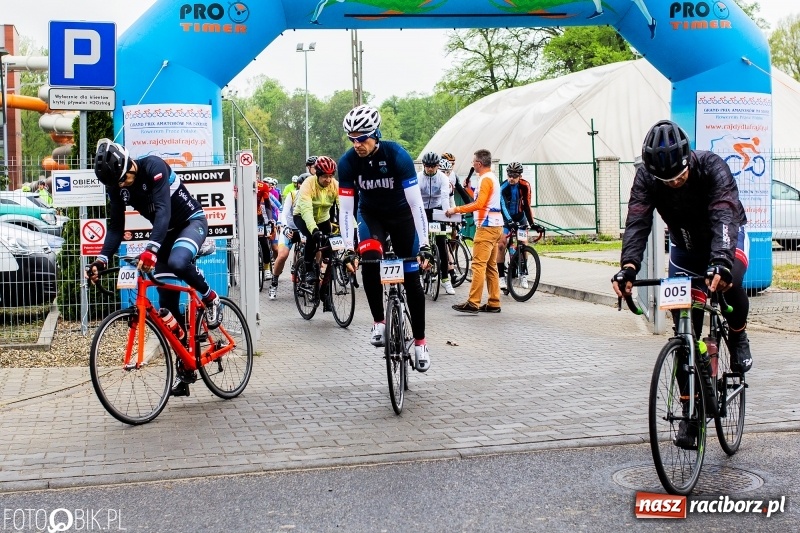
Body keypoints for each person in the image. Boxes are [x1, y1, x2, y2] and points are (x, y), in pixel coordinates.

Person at [611, 120, 752, 448]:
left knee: (729, 282)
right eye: (666, 180)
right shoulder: (646, 176)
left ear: (688, 159)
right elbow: (637, 221)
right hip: (685, 247)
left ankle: (738, 336)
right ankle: (691, 412)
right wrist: (628, 267)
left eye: (679, 177)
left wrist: (721, 261)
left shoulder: (712, 167)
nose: (674, 184)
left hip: (726, 237)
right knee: (683, 331)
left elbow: (724, 215)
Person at [88, 139, 221, 398]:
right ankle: (186, 367)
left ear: (129, 165)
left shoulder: (154, 167)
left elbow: (163, 212)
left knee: (178, 262)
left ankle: (210, 297)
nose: (121, 186)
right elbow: (116, 228)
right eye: (115, 184)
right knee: (167, 308)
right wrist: (101, 259)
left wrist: (151, 249)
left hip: (190, 223)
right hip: (166, 235)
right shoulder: (116, 185)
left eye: (123, 180)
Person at [338, 104, 434, 372]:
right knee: (369, 260)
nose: (356, 144)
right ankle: (379, 322)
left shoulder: (397, 155)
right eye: (351, 138)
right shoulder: (347, 163)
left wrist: (425, 245)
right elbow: (345, 211)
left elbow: (417, 206)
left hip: (403, 216)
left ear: (376, 133)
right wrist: (347, 248)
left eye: (362, 138)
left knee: (412, 276)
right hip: (371, 215)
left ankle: (420, 343)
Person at [445, 149, 504, 314]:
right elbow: (482, 200)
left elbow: (479, 204)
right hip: (496, 226)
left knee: (478, 265)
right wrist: (470, 189)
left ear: (478, 164)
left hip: (486, 227)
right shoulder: (491, 178)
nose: (472, 164)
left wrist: (456, 209)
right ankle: (494, 301)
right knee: (491, 266)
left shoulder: (485, 180)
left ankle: (473, 302)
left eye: (473, 162)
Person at [293, 156, 340, 312]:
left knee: (330, 252)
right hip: (302, 216)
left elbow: (343, 208)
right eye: (325, 176)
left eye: (331, 176)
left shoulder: (334, 185)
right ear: (317, 175)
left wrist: (350, 230)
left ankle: (325, 292)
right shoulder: (308, 184)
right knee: (312, 238)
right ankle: (308, 271)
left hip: (323, 218)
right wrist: (314, 230)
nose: (328, 179)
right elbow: (306, 210)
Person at [418, 151, 455, 295]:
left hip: (438, 208)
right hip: (422, 209)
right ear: (424, 165)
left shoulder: (443, 178)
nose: (430, 169)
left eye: (433, 166)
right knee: (422, 243)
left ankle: (445, 279)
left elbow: (445, 197)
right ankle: (420, 274)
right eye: (427, 166)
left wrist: (447, 213)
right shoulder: (419, 177)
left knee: (441, 243)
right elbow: (416, 198)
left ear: (437, 166)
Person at [268, 173, 310, 300]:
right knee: (282, 255)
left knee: (316, 252)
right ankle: (274, 283)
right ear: (298, 185)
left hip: (305, 229)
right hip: (290, 229)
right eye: (302, 185)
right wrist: (285, 227)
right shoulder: (292, 195)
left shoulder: (314, 196)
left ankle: (311, 277)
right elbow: (284, 212)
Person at [497, 162, 536, 290]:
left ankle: (523, 274)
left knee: (523, 243)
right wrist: (509, 221)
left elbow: (527, 206)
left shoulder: (525, 185)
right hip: (506, 219)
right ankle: (501, 277)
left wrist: (532, 224)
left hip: (520, 217)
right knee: (502, 243)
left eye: (514, 175)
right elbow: (502, 206)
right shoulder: (503, 187)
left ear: (520, 175)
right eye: (509, 175)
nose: (511, 178)